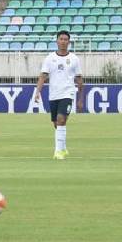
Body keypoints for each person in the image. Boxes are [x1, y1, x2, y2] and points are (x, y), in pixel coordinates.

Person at [34, 30, 84, 160]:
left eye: (65, 39)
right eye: (61, 39)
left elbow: (79, 79)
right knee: (56, 123)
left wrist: (80, 99)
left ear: (69, 42)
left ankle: (58, 151)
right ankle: (63, 147)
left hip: (67, 93)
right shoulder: (50, 58)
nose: (63, 41)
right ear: (57, 41)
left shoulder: (74, 59)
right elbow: (43, 76)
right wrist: (37, 92)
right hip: (53, 94)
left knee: (61, 120)